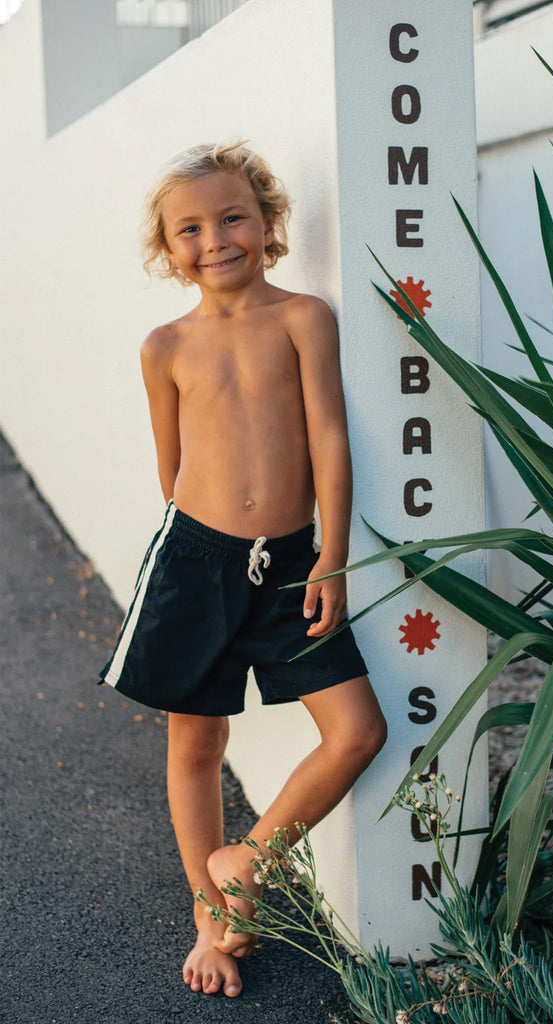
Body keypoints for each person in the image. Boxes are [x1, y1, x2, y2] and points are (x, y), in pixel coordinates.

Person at [99, 142, 387, 999]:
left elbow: (330, 439)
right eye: (189, 229)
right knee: (196, 743)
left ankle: (247, 860)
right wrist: (206, 545)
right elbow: (173, 467)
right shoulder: (163, 347)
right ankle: (212, 925)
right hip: (196, 563)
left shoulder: (304, 318)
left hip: (295, 564)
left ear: (267, 222)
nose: (215, 239)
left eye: (232, 218)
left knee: (358, 731)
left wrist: (332, 557)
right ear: (167, 248)